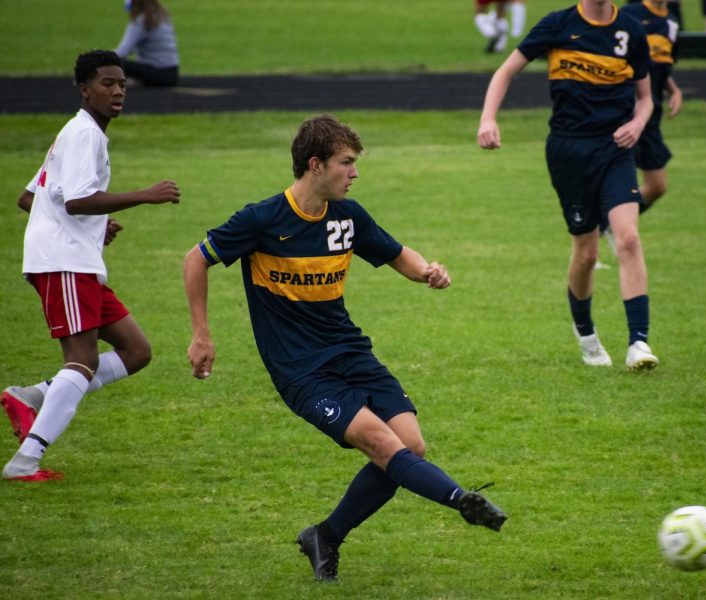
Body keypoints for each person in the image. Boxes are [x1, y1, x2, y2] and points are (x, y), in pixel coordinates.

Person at [183, 114, 507, 581]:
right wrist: (201, 334)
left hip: (351, 353)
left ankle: (325, 536)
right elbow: (196, 258)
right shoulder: (262, 220)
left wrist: (427, 272)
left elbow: (396, 253)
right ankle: (462, 500)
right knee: (382, 443)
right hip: (301, 371)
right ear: (316, 165)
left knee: (410, 445)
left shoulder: (347, 217)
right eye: (346, 163)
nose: (354, 173)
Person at [1, 50, 181, 482]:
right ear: (85, 90)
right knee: (81, 361)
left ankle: (32, 396)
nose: (118, 91)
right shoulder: (85, 135)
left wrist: (93, 229)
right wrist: (145, 194)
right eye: (106, 83)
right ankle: (25, 460)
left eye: (121, 83)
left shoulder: (77, 133)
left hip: (75, 258)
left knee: (136, 351)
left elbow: (33, 198)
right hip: (64, 262)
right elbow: (77, 200)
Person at [477, 0, 660, 371]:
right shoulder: (558, 25)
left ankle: (638, 343)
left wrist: (638, 125)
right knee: (587, 252)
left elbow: (645, 99)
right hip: (569, 151)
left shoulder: (631, 30)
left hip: (616, 148)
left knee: (628, 238)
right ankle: (587, 335)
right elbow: (505, 71)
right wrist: (488, 119)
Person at [621, 0, 683, 212]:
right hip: (624, 109)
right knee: (615, 178)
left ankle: (609, 223)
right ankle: (609, 224)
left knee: (657, 185)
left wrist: (673, 89)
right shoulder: (630, 14)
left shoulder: (671, 22)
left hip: (651, 112)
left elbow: (658, 65)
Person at [115, 0, 179, 86]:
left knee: (115, 63)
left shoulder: (141, 21)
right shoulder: (161, 15)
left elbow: (122, 52)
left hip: (157, 73)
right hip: (171, 73)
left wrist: (99, 60)